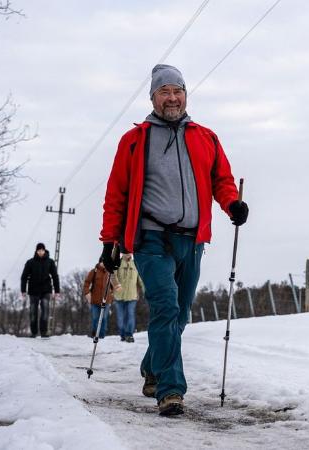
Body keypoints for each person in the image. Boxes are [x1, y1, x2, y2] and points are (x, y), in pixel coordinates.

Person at [99, 64, 248, 416]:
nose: (172, 97)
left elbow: (222, 181)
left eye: (177, 91)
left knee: (179, 316)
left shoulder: (205, 137)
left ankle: (153, 366)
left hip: (192, 241)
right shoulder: (135, 141)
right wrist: (110, 241)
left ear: (185, 95)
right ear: (152, 97)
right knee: (165, 308)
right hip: (151, 239)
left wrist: (233, 205)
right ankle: (170, 390)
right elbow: (116, 193)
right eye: (164, 91)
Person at [20, 242, 60, 338]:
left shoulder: (50, 262)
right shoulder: (30, 262)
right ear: (36, 251)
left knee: (45, 310)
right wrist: (23, 290)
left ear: (44, 250)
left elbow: (55, 276)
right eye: (39, 250)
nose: (40, 252)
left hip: (46, 290)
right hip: (33, 290)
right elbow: (24, 277)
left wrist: (57, 291)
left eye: (42, 250)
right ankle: (34, 332)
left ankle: (44, 332)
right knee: (33, 311)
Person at [82, 259, 117, 339]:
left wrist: (111, 296)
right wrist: (87, 293)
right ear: (100, 262)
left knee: (104, 318)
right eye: (103, 262)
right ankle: (94, 334)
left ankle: (102, 336)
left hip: (106, 301)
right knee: (95, 318)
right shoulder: (94, 272)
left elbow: (115, 286)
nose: (105, 264)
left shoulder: (110, 273)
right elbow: (86, 283)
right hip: (95, 300)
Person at [114, 253, 144, 343]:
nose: (128, 255)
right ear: (123, 253)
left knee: (130, 315)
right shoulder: (118, 262)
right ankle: (122, 334)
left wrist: (145, 290)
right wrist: (116, 285)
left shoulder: (135, 264)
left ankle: (129, 334)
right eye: (126, 253)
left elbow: (140, 279)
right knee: (121, 317)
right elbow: (113, 276)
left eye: (129, 253)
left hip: (132, 295)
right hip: (119, 295)